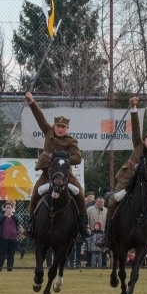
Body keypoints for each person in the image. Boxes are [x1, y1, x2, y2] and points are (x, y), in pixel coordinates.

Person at [23, 91, 91, 239]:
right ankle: (30, 223)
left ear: (67, 128)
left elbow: (77, 157)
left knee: (79, 192)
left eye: (63, 127)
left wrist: (64, 157)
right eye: (58, 126)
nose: (60, 129)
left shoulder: (71, 141)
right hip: (47, 173)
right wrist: (31, 102)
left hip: (64, 175)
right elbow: (39, 117)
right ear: (54, 126)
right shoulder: (48, 132)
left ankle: (84, 224)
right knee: (35, 193)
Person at [100, 96, 147, 247]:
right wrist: (134, 108)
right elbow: (136, 127)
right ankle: (107, 234)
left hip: (145, 189)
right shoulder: (138, 145)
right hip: (125, 183)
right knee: (112, 201)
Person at [0, 201, 22, 271]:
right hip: (3, 239)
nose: (8, 209)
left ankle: (9, 269)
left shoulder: (15, 215)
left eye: (9, 207)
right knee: (1, 254)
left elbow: (19, 222)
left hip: (13, 239)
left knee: (11, 255)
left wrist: (12, 215)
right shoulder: (1, 215)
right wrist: (5, 215)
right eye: (7, 207)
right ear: (4, 208)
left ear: (12, 208)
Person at [86, 196, 107, 266]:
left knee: (102, 251)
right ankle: (89, 265)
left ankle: (103, 265)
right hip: (91, 234)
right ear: (96, 201)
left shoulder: (106, 211)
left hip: (102, 234)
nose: (100, 203)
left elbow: (107, 222)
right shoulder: (89, 210)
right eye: (99, 202)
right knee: (90, 251)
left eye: (102, 202)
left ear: (104, 203)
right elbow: (86, 221)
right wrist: (89, 229)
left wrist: (105, 231)